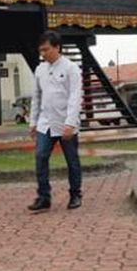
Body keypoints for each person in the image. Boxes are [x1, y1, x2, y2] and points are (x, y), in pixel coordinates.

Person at [28, 30, 83, 212]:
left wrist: (70, 123)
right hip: (45, 122)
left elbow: (75, 97)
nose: (43, 54)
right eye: (41, 50)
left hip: (66, 122)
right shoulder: (40, 69)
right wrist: (33, 122)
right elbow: (36, 97)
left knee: (72, 160)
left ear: (57, 47)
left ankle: (75, 194)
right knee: (40, 157)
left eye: (46, 49)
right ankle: (44, 196)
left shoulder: (71, 68)